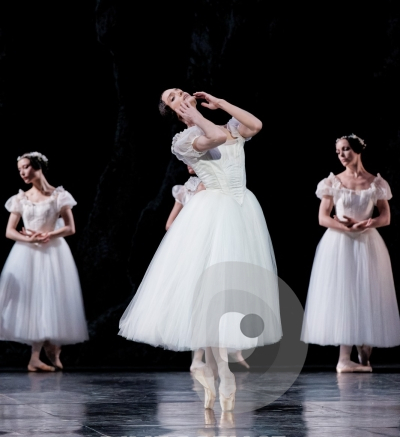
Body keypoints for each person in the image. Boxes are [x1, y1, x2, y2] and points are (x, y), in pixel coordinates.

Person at [119, 90, 282, 410]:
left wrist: (219, 104)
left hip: (242, 211)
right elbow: (217, 137)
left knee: (230, 296)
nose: (179, 93)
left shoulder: (225, 125)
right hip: (213, 215)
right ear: (173, 111)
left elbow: (256, 124)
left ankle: (215, 369)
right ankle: (220, 370)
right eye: (171, 96)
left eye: (178, 90)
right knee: (210, 296)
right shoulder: (182, 141)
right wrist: (195, 117)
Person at [301, 134, 400, 373]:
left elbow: (385, 217)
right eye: (338, 152)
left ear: (357, 150)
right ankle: (343, 358)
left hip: (367, 242)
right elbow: (323, 217)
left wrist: (366, 224)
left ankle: (364, 347)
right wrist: (346, 226)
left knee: (366, 290)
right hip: (339, 242)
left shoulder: (376, 182)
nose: (342, 155)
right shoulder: (332, 182)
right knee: (343, 291)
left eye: (345, 150)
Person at [0, 152, 89, 371]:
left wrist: (50, 235)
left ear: (38, 167)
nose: (22, 172)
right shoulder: (21, 198)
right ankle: (38, 355)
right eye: (20, 169)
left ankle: (48, 349)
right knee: (32, 300)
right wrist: (28, 238)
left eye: (26, 167)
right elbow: (10, 231)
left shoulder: (59, 195)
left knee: (50, 299)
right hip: (27, 253)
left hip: (53, 252)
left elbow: (70, 227)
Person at [166, 165, 251, 371]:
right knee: (198, 300)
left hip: (216, 249)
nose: (188, 164)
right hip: (193, 251)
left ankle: (228, 349)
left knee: (219, 298)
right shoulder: (186, 189)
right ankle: (198, 358)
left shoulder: (218, 187)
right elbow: (170, 224)